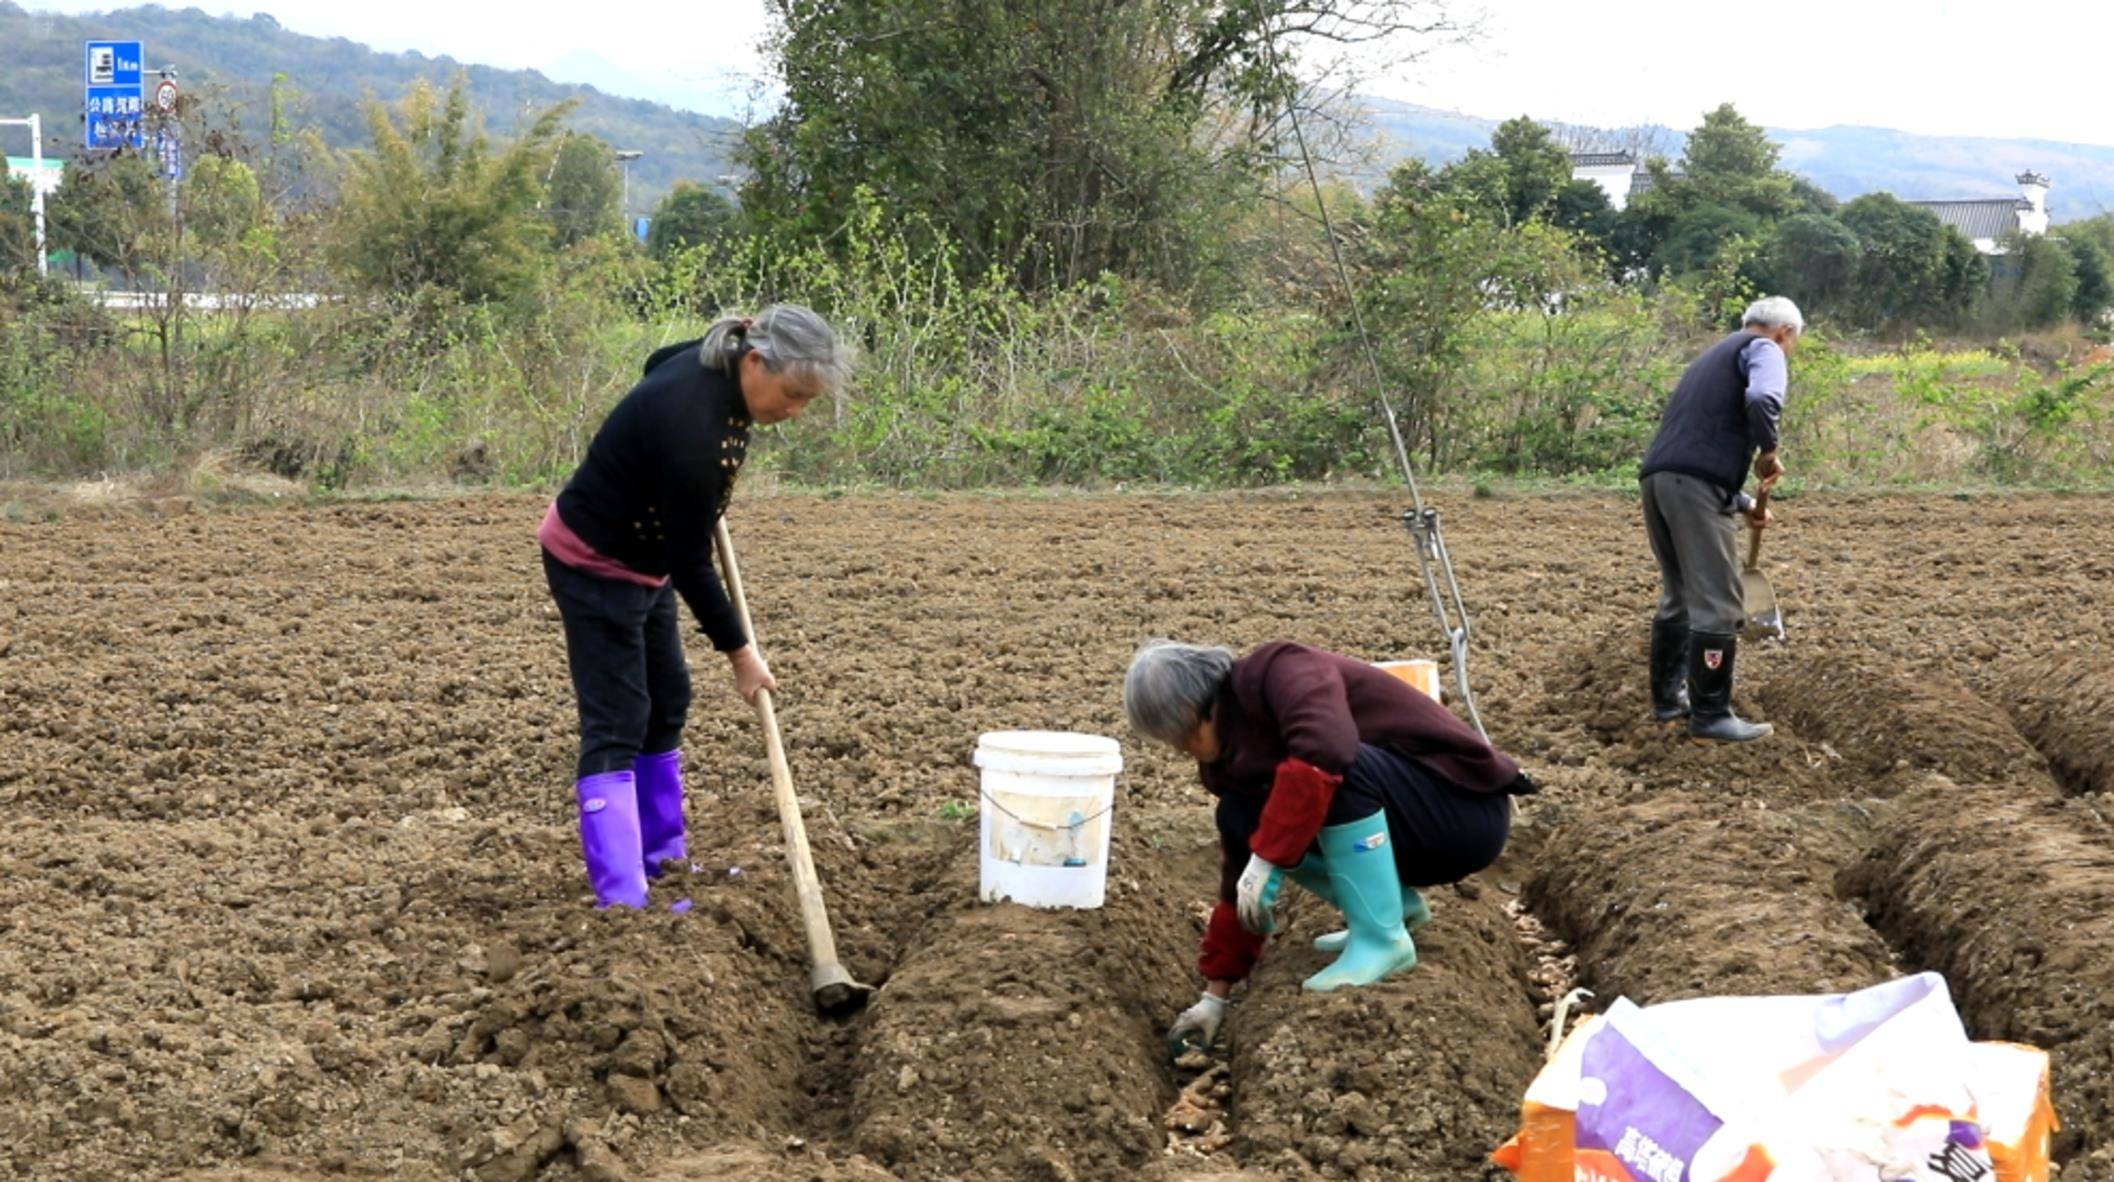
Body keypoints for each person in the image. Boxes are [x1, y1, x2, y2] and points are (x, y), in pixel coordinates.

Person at [540, 304, 853, 908]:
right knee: (618, 717)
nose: (793, 412)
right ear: (756, 361)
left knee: (670, 696)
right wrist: (740, 653)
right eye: (791, 395)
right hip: (595, 560)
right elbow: (690, 560)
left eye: (805, 402)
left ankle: (664, 861)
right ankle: (622, 895)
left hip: (646, 554)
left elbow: (656, 361)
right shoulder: (693, 436)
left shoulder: (722, 355)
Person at [1125, 639, 1538, 1057]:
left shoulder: (1282, 671)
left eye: (1184, 737)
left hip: (1461, 813)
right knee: (1241, 815)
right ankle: (1394, 905)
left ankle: (1382, 939)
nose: (1182, 750)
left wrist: (1269, 855)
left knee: (1328, 765)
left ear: (1205, 706)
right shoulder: (1229, 765)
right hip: (1405, 832)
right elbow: (1237, 879)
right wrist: (1215, 996)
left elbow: (1328, 751)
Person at [1637, 295, 1801, 744]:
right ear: (1784, 333)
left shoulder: (1712, 356)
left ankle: (1669, 700)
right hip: (1694, 486)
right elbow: (1764, 396)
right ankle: (1711, 715)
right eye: (1792, 346)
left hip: (1660, 480)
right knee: (1719, 601)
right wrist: (1768, 451)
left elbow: (1699, 443)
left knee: (1681, 595)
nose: (1787, 354)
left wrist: (1746, 503)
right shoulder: (1764, 349)